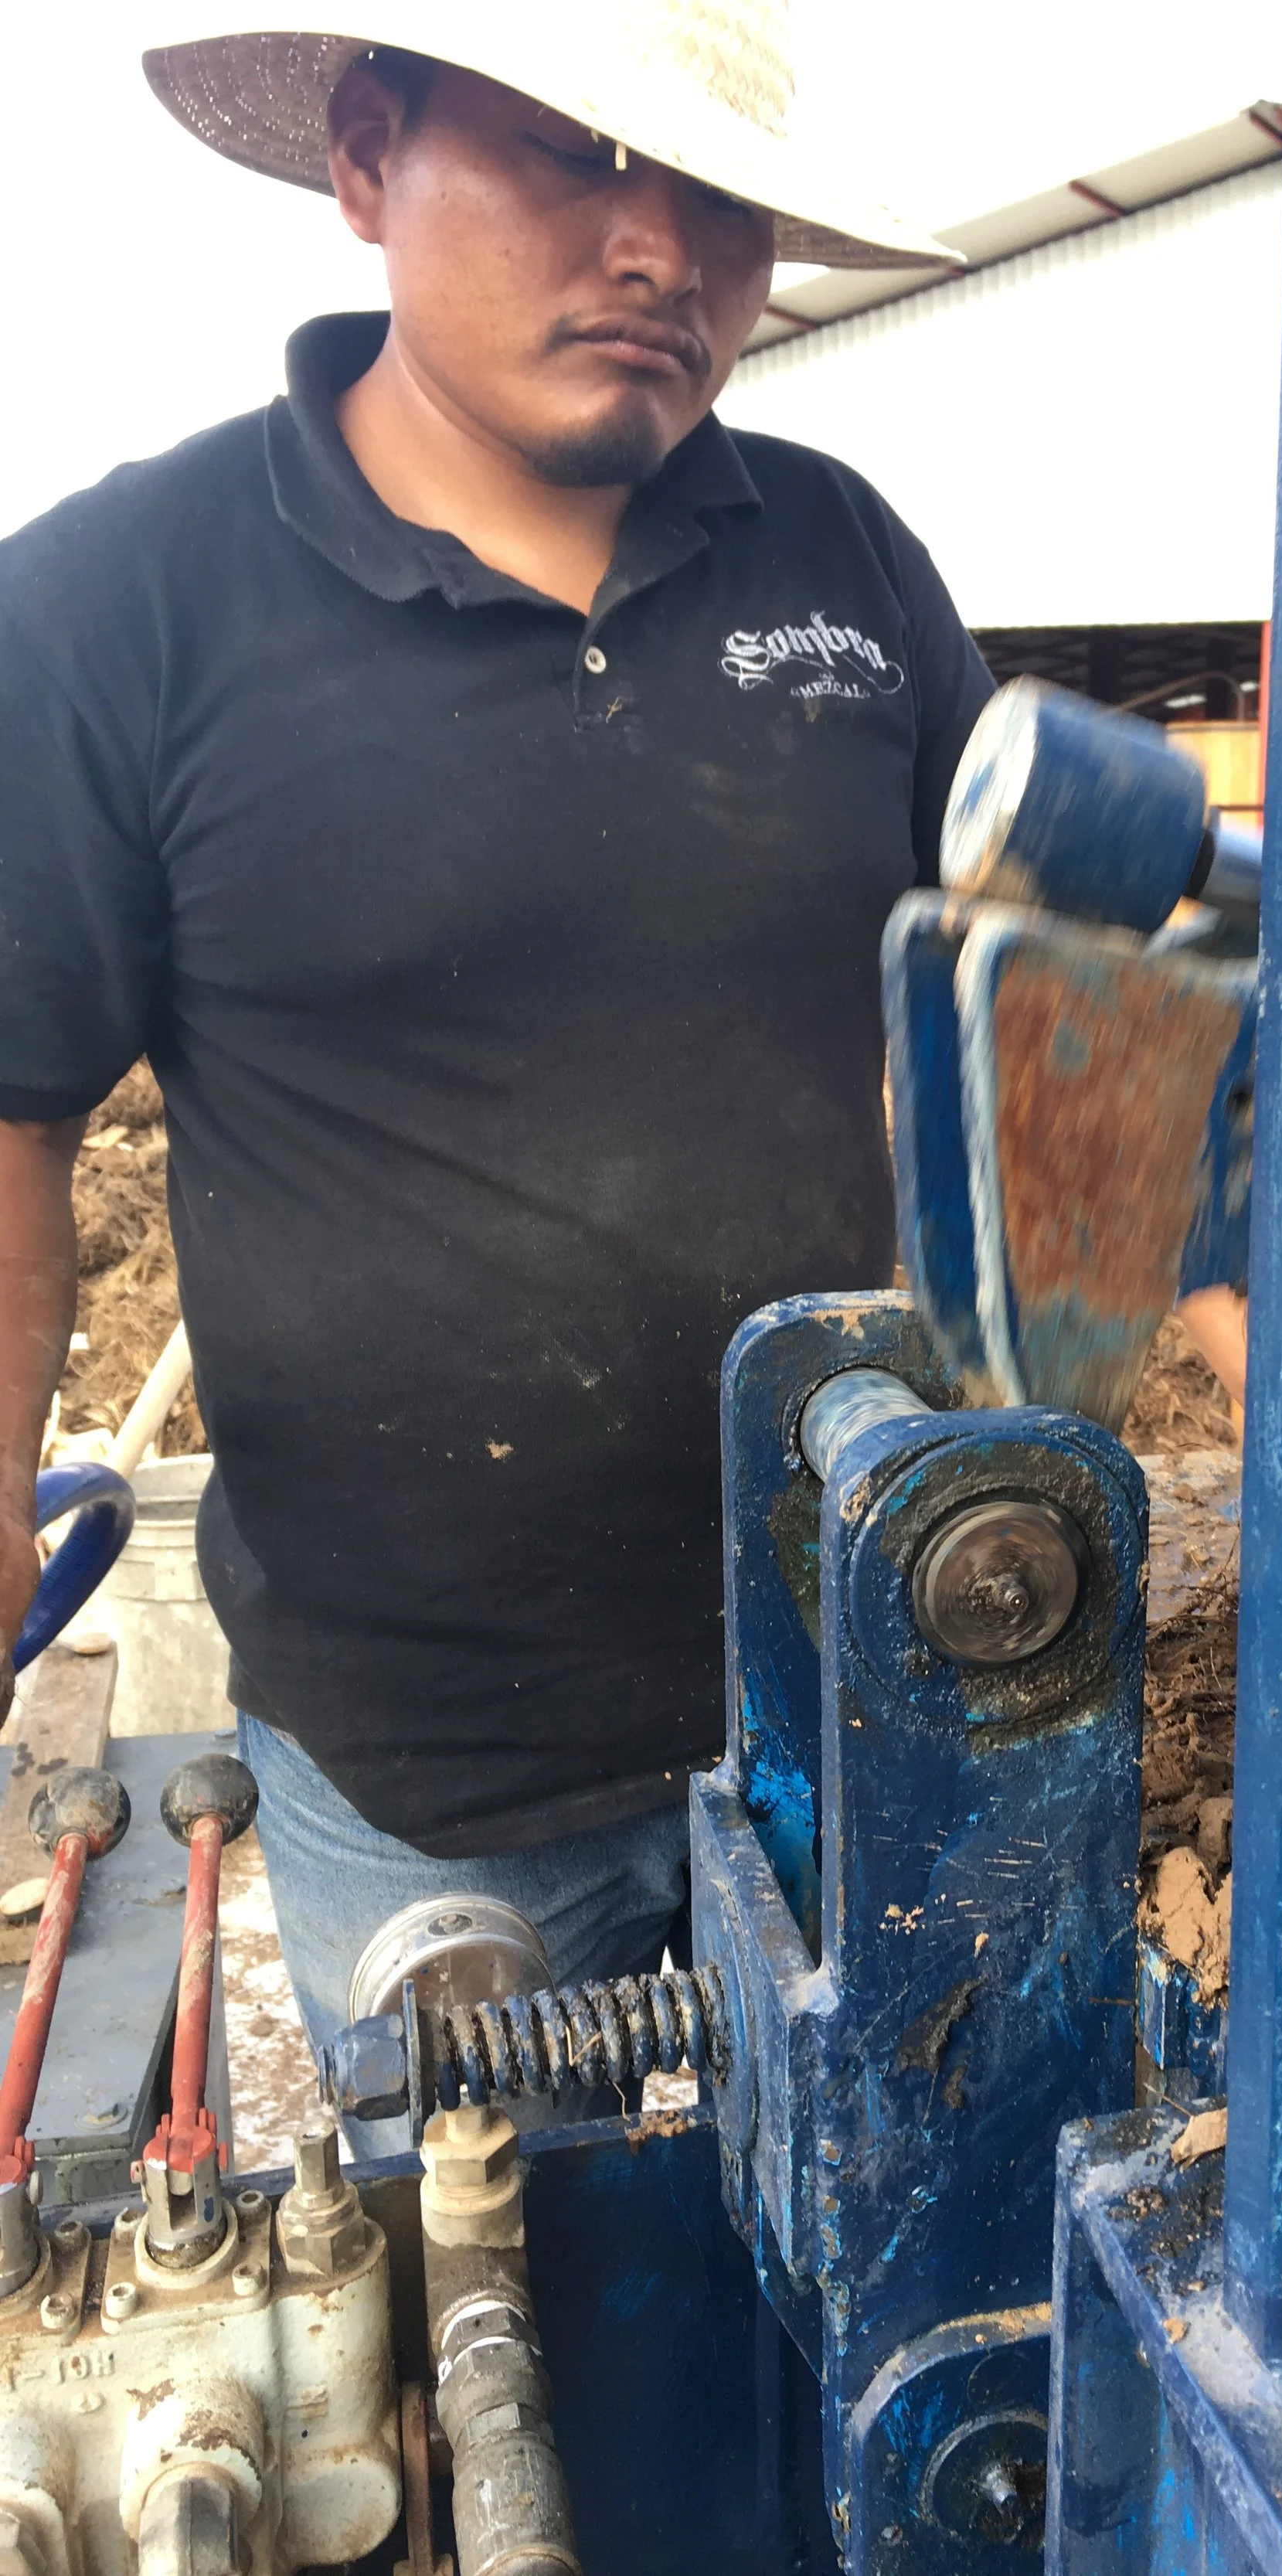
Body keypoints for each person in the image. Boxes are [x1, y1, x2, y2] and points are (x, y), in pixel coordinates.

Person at [0, 4, 991, 2095]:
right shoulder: (119, 608)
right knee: (488, 2267)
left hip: (853, 1669)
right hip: (426, 1773)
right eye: (573, 152)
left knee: (883, 2221)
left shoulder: (844, 560)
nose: (660, 249)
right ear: (367, 154)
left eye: (717, 194)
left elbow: (1044, 1020)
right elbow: (12, 1109)